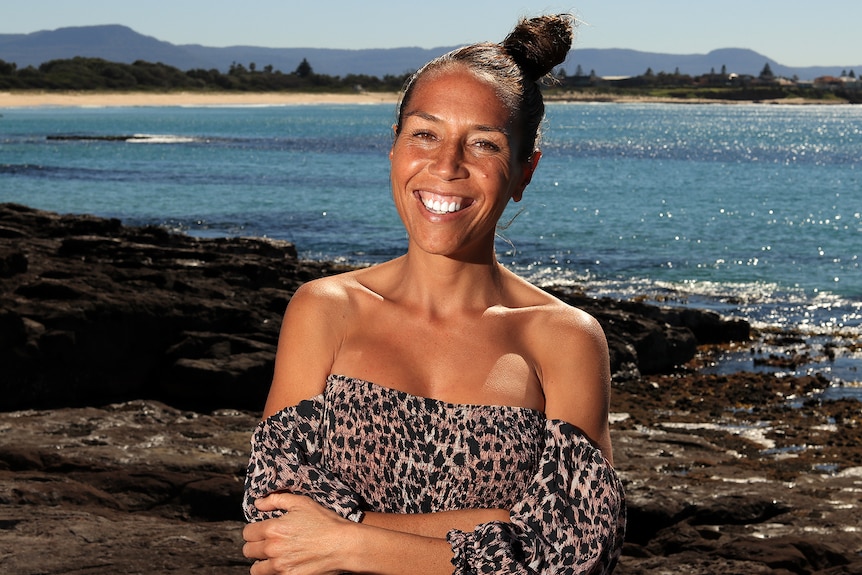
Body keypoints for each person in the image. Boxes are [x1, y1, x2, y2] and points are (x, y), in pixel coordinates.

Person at [242, 13, 625, 575]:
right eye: (425, 134)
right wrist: (503, 528)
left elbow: (576, 552)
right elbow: (272, 517)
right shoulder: (324, 310)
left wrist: (347, 541)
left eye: (484, 145)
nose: (446, 165)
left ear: (524, 172)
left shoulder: (563, 338)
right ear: (394, 148)